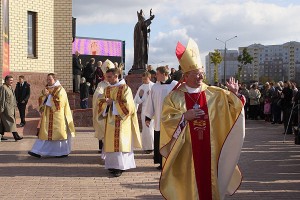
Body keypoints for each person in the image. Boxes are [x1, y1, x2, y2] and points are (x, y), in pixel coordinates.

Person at [159, 39, 245, 200]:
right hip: (187, 152)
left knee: (210, 185)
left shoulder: (216, 94)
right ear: (185, 76)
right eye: (196, 73)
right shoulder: (174, 98)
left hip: (212, 150)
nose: (201, 76)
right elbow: (166, 120)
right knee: (190, 187)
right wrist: (184, 117)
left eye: (202, 72)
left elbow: (234, 111)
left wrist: (234, 94)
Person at [97, 66, 142, 177]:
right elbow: (101, 102)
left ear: (116, 76)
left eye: (109, 77)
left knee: (120, 144)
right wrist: (105, 105)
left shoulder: (125, 88)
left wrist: (113, 103)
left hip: (122, 122)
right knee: (111, 144)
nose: (107, 79)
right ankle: (112, 166)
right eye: (106, 77)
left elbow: (129, 106)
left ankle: (120, 167)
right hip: (110, 121)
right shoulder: (107, 89)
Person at [28, 73, 75, 158]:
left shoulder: (60, 89)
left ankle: (62, 152)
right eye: (47, 79)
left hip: (57, 115)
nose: (48, 81)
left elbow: (59, 102)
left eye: (50, 79)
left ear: (55, 79)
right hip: (47, 115)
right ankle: (37, 151)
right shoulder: (46, 88)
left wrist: (48, 96)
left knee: (58, 134)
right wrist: (44, 97)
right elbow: (41, 99)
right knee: (44, 133)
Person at [144, 66, 178, 170]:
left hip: (171, 119)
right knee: (159, 140)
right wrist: (148, 117)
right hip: (159, 119)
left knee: (170, 140)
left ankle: (171, 162)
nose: (155, 75)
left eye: (157, 74)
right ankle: (161, 162)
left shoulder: (175, 85)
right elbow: (151, 102)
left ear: (164, 74)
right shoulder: (155, 87)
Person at [92, 59, 115, 153]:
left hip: (114, 110)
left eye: (109, 76)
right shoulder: (101, 84)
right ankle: (102, 147)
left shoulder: (118, 84)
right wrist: (104, 97)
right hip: (104, 109)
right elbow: (97, 94)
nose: (107, 77)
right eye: (106, 75)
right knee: (102, 127)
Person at [134, 71, 155, 154]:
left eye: (145, 79)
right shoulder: (141, 87)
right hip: (144, 110)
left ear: (149, 78)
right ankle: (146, 147)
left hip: (153, 111)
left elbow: (157, 99)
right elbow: (137, 101)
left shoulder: (154, 86)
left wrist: (151, 95)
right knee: (145, 129)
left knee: (150, 128)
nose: (144, 80)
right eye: (142, 79)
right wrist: (141, 95)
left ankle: (152, 147)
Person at [0, 75, 23, 141]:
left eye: (12, 80)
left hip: (11, 108)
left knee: (2, 123)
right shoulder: (3, 88)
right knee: (11, 121)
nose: (11, 82)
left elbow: (13, 97)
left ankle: (1, 135)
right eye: (10, 80)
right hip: (6, 109)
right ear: (6, 80)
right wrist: (1, 109)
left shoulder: (10, 87)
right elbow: (2, 99)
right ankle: (16, 136)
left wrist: (15, 105)